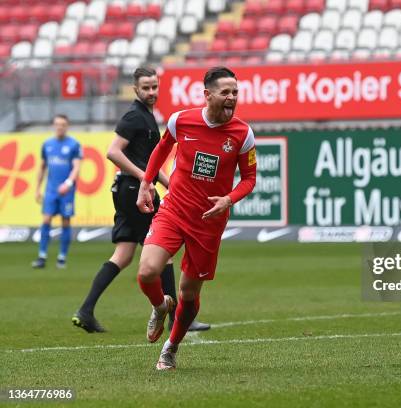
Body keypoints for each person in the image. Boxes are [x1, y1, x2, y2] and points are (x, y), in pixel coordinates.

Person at [72, 66, 210, 333]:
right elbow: (113, 152)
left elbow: (151, 163)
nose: (151, 92)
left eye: (154, 86)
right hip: (135, 190)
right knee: (165, 248)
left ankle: (86, 311)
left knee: (123, 255)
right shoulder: (134, 117)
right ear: (135, 89)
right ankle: (178, 319)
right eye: (145, 87)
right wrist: (144, 178)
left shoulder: (147, 117)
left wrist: (172, 185)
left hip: (127, 189)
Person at [135, 66, 256, 370]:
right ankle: (160, 306)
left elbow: (250, 179)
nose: (232, 98)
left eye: (235, 93)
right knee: (147, 271)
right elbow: (161, 149)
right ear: (207, 95)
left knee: (188, 293)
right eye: (226, 92)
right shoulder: (181, 120)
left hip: (208, 223)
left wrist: (229, 199)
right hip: (174, 210)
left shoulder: (243, 134)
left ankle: (171, 347)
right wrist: (146, 182)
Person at [32, 114, 82, 269]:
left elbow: (76, 167)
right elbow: (42, 168)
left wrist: (68, 183)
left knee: (65, 222)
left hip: (66, 191)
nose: (60, 127)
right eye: (57, 124)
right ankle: (42, 256)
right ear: (54, 126)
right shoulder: (47, 144)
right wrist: (38, 189)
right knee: (46, 220)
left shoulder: (74, 145)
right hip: (51, 190)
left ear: (67, 126)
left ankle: (62, 257)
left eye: (63, 124)